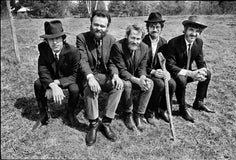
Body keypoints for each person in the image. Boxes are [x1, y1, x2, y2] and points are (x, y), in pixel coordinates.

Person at [76, 10, 123, 146]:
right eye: (96, 24)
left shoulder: (111, 40)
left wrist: (115, 75)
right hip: (88, 74)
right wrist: (90, 77)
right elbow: (82, 60)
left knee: (118, 86)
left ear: (107, 27)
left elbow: (113, 62)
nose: (99, 28)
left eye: (103, 26)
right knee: (91, 88)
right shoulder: (82, 38)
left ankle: (106, 123)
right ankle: (94, 124)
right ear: (90, 24)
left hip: (104, 76)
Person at [166, 15, 214, 123]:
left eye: (197, 31)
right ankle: (182, 109)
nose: (193, 34)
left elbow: (201, 62)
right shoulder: (174, 43)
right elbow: (170, 65)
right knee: (182, 80)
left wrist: (202, 71)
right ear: (185, 30)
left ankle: (199, 102)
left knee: (208, 74)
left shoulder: (198, 43)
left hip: (188, 73)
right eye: (191, 30)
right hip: (174, 74)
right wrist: (190, 73)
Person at [34, 20, 80, 128]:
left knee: (75, 89)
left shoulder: (73, 52)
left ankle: (70, 113)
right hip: (51, 78)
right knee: (38, 83)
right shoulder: (44, 49)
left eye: (57, 38)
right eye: (51, 39)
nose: (54, 42)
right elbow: (42, 70)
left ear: (63, 39)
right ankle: (43, 114)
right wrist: (51, 85)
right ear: (46, 41)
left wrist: (57, 83)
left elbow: (75, 75)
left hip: (67, 78)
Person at [110, 24, 154, 132]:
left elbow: (142, 67)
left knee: (150, 83)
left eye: (138, 39)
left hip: (136, 78)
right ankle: (128, 114)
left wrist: (143, 78)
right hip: (122, 78)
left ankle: (139, 114)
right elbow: (121, 70)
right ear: (127, 36)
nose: (135, 41)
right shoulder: (118, 46)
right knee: (128, 84)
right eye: (133, 38)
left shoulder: (144, 47)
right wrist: (137, 80)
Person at [142, 12, 176, 125]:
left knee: (171, 83)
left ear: (161, 29)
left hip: (158, 72)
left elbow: (165, 61)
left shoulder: (164, 43)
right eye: (152, 27)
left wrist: (166, 72)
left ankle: (163, 109)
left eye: (157, 27)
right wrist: (153, 72)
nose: (155, 29)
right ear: (147, 28)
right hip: (145, 72)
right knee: (159, 84)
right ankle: (149, 112)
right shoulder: (142, 42)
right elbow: (139, 65)